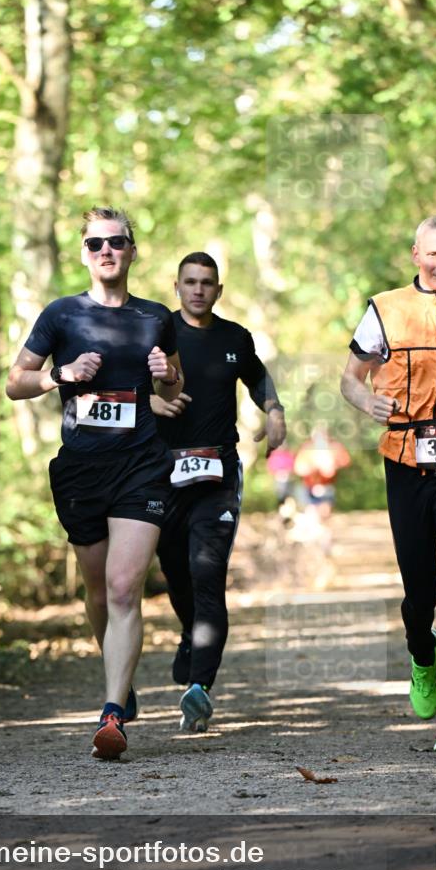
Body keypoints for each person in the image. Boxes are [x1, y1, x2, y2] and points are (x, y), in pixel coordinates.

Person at [6, 207, 183, 759]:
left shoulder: (156, 317)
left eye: (116, 242)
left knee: (125, 587)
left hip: (142, 464)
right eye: (95, 243)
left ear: (132, 251)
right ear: (84, 253)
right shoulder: (61, 314)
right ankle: (119, 675)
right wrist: (60, 374)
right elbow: (15, 382)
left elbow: (174, 385)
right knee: (99, 591)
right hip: (82, 469)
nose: (106, 250)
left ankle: (112, 713)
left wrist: (167, 375)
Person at [340, 214, 436, 759]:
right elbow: (350, 378)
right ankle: (421, 649)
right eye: (434, 253)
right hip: (405, 461)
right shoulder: (386, 309)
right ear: (416, 254)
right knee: (421, 593)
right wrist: (368, 402)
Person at [151, 252, 286, 731]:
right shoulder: (156, 332)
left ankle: (199, 688)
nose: (198, 290)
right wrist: (151, 403)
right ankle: (191, 632)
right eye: (190, 282)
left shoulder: (235, 337)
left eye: (207, 283)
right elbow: (123, 384)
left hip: (217, 473)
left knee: (207, 572)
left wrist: (274, 410)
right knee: (175, 571)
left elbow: (257, 376)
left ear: (218, 290)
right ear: (177, 286)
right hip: (162, 473)